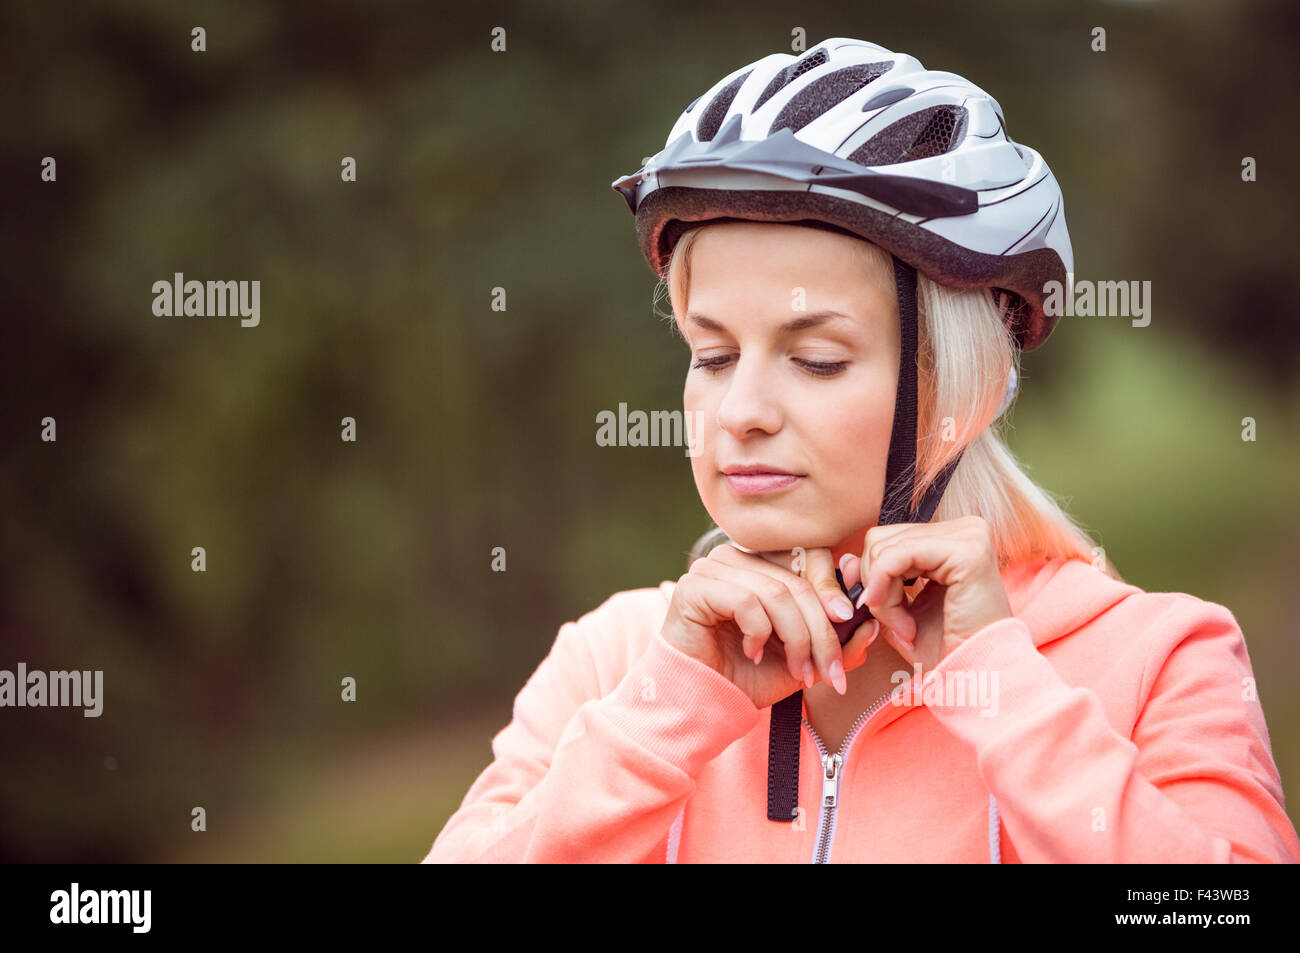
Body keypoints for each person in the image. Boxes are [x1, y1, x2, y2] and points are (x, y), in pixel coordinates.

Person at [420, 37, 1299, 863]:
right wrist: (671, 709)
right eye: (714, 354)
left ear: (955, 387)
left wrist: (1003, 690)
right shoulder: (615, 661)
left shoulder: (1157, 657)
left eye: (816, 358)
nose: (742, 412)